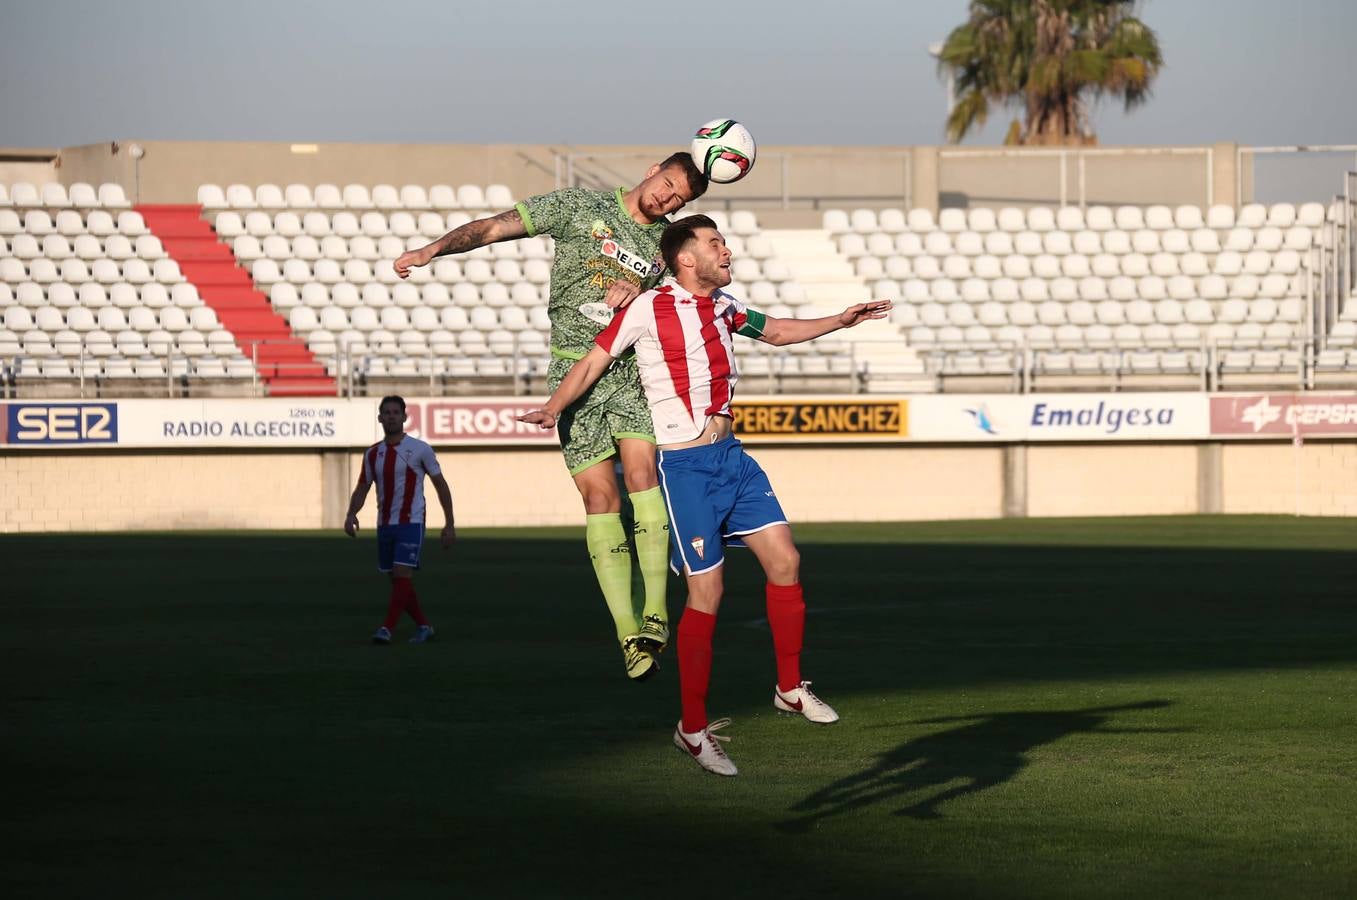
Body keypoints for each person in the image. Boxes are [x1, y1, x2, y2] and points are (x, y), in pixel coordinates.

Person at [519, 215, 892, 776]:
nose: (727, 250)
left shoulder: (724, 307)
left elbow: (777, 331)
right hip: (685, 470)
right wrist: (554, 407)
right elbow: (595, 359)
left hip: (733, 459)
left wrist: (840, 320)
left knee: (786, 561)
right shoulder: (648, 308)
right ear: (686, 258)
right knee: (707, 592)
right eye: (715, 243)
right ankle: (691, 729)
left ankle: (789, 688)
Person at [394, 154, 709, 680]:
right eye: (668, 184)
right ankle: (628, 637)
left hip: (631, 372)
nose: (667, 198)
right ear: (653, 168)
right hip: (570, 373)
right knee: (599, 500)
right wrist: (432, 250)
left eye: (679, 198)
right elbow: (494, 227)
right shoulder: (578, 206)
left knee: (641, 476)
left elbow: (688, 298)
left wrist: (643, 293)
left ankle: (656, 613)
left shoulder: (668, 244)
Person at [344, 395, 456, 645]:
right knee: (397, 580)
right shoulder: (372, 453)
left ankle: (386, 629)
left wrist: (449, 523)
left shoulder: (420, 449)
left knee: (401, 573)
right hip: (385, 523)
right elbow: (362, 486)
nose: (392, 416)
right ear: (380, 418)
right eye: (387, 413)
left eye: (396, 412)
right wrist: (351, 513)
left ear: (405, 417)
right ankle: (424, 626)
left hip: (411, 522)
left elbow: (440, 485)